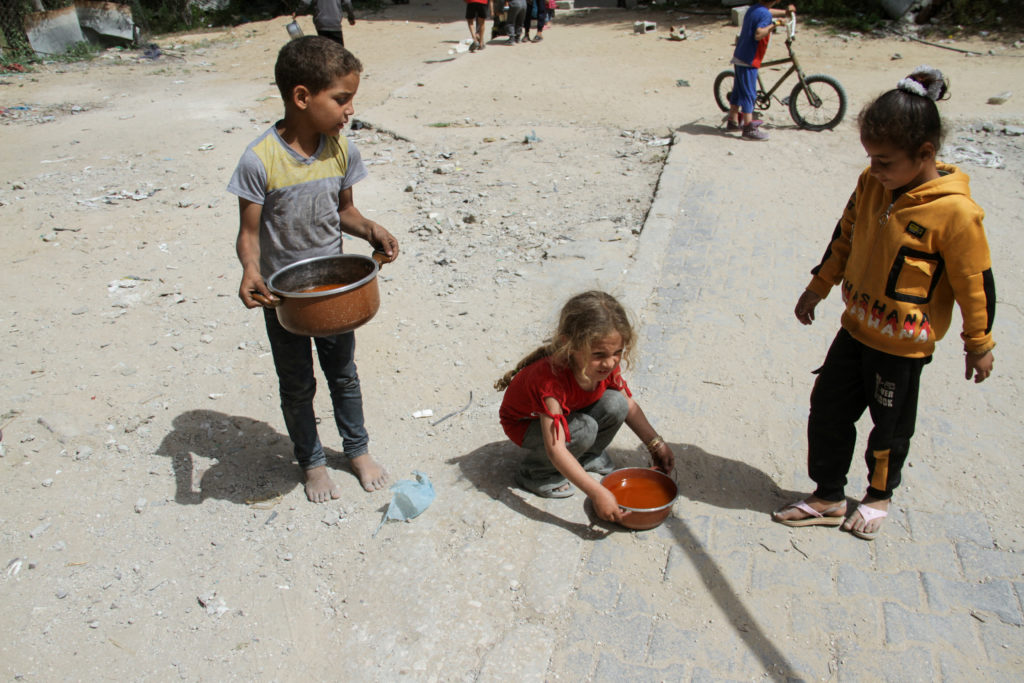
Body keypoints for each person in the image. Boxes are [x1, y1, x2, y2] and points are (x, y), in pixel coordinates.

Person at [773, 67, 996, 540]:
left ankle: (878, 496)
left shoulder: (956, 213)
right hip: (855, 328)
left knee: (889, 427)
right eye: (871, 157)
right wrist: (819, 286)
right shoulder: (871, 184)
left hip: (902, 348)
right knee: (828, 409)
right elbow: (845, 236)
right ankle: (829, 494)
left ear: (925, 154)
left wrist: (978, 343)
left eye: (886, 161)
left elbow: (974, 282)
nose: (875, 169)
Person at [227, 36, 399, 503]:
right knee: (297, 381)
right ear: (302, 97)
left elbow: (345, 210)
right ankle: (312, 462)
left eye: (351, 100)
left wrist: (370, 230)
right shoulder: (259, 159)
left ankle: (357, 450)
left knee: (343, 372)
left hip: (336, 289)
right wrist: (250, 270)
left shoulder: (341, 151)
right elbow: (248, 233)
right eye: (341, 99)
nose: (349, 111)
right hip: (283, 296)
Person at [496, 291, 675, 523]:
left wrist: (656, 444)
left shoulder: (604, 366)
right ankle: (536, 474)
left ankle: (586, 456)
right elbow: (556, 448)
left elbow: (628, 406)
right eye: (599, 354)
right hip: (526, 425)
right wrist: (597, 492)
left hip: (570, 412)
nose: (610, 362)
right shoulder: (550, 380)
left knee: (616, 403)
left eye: (617, 353)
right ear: (569, 346)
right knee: (584, 428)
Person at [725, 1, 795, 141]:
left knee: (739, 91)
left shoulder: (755, 9)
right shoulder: (765, 15)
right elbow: (758, 34)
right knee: (749, 94)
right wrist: (775, 24)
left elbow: (767, 12)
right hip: (749, 58)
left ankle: (732, 121)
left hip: (741, 54)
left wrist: (784, 13)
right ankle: (748, 128)